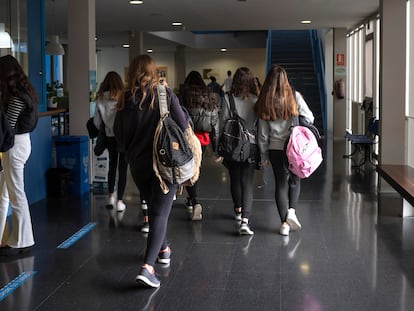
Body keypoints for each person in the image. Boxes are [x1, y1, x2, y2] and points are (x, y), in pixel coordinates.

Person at [114, 54, 189, 288]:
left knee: (155, 209)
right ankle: (147, 268)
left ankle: (163, 249)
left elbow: (118, 134)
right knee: (160, 214)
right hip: (165, 163)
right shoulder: (163, 93)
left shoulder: (125, 99)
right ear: (153, 71)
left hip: (138, 165)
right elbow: (183, 124)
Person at [255, 64, 314, 236]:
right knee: (294, 181)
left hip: (275, 149)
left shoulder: (265, 100)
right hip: (295, 148)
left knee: (280, 185)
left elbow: (263, 133)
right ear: (285, 80)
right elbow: (310, 117)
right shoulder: (294, 97)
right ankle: (292, 211)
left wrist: (264, 154)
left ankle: (283, 224)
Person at [0, 55, 38, 256]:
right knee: (7, 193)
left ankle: (23, 239)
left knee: (15, 194)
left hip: (14, 146)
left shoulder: (16, 98)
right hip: (21, 144)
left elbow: (7, 125)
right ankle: (12, 238)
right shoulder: (25, 92)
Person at [219, 67, 260, 236]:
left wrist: (219, 147)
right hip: (251, 144)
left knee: (235, 178)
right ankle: (245, 220)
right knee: (247, 181)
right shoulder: (257, 99)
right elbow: (261, 124)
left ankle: (238, 209)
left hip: (233, 144)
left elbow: (222, 123)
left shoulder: (228, 98)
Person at [180, 71, 220, 220]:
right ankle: (191, 200)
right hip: (202, 139)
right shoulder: (210, 96)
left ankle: (194, 200)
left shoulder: (184, 95)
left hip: (186, 137)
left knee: (189, 169)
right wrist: (216, 148)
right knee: (195, 168)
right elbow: (215, 124)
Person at [93, 71, 128, 212]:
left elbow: (96, 122)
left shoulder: (100, 99)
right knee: (123, 169)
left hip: (109, 137)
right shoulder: (124, 97)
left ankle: (111, 196)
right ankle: (120, 201)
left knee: (112, 166)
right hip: (123, 137)